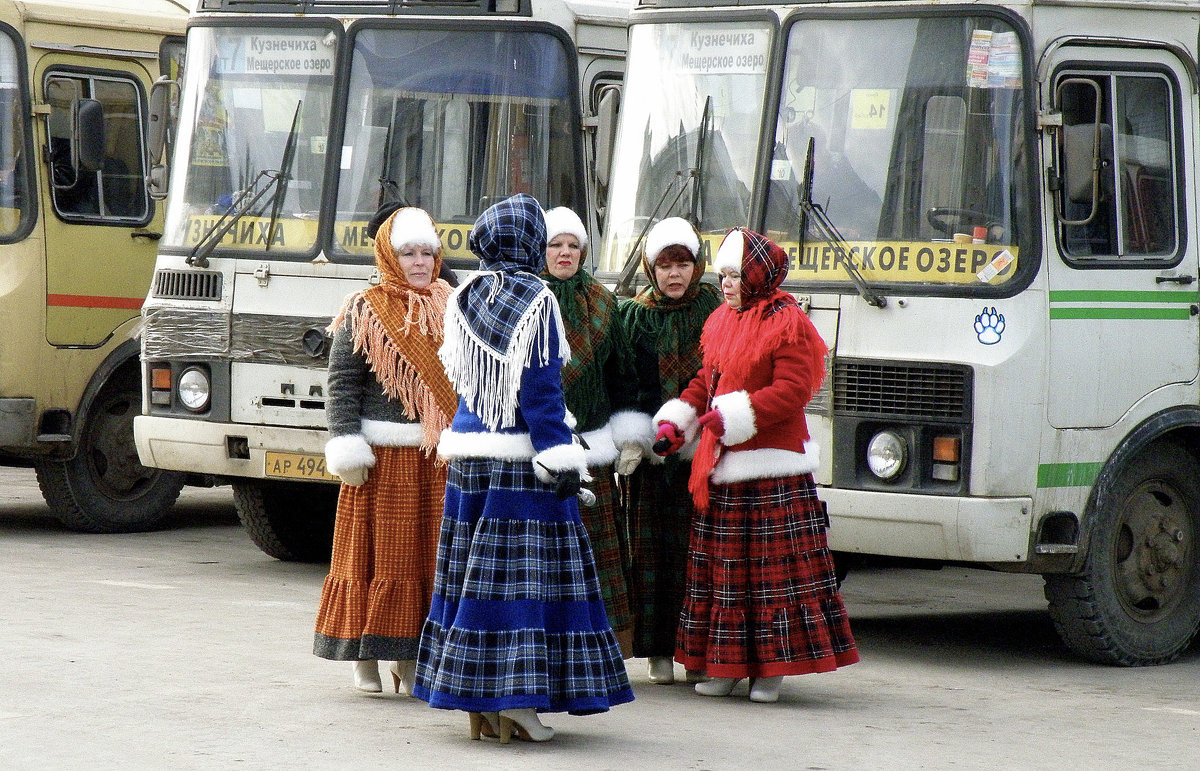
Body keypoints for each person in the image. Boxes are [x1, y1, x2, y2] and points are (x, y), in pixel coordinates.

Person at [413, 193, 633, 743]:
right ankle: (519, 703)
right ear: (532, 244)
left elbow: (463, 385)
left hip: (470, 464)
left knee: (472, 584)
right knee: (522, 588)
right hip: (519, 466)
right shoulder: (537, 300)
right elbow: (540, 393)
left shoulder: (463, 297)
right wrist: (563, 459)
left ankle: (478, 704)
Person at [653, 226, 858, 703]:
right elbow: (706, 381)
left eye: (732, 275)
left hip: (772, 470)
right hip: (725, 465)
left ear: (756, 274)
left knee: (772, 580)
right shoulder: (725, 319)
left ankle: (771, 671)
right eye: (722, 275)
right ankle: (724, 667)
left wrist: (732, 417)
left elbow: (793, 390)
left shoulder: (790, 322)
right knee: (727, 578)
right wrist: (679, 421)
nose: (724, 284)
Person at [314, 207, 458, 696]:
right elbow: (341, 386)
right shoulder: (364, 309)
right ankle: (366, 656)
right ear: (388, 257)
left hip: (435, 457)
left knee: (426, 560)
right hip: (382, 460)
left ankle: (410, 655)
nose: (419, 263)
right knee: (379, 559)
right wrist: (346, 443)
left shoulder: (452, 306)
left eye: (426, 253)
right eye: (408, 253)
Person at [613, 217, 721, 685]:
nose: (674, 274)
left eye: (683, 263)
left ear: (697, 269)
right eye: (665, 265)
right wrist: (636, 436)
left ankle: (697, 651)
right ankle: (657, 651)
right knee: (653, 554)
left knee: (701, 554)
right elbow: (626, 384)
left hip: (705, 452)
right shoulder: (633, 316)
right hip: (651, 459)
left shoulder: (716, 310)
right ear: (650, 269)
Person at [541, 205, 635, 656]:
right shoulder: (528, 297)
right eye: (555, 245)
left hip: (593, 449)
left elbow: (622, 376)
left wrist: (629, 433)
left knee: (595, 558)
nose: (564, 253)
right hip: (541, 451)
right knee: (546, 562)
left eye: (572, 246)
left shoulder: (603, 301)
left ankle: (601, 649)